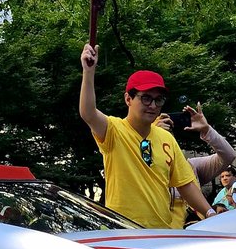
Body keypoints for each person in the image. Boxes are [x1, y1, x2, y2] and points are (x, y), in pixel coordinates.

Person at [78, 47, 214, 228]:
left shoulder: (167, 138)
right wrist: (88, 72)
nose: (153, 105)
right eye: (146, 98)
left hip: (160, 233)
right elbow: (88, 112)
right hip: (122, 231)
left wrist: (211, 213)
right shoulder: (113, 130)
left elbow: (185, 185)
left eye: (159, 99)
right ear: (128, 99)